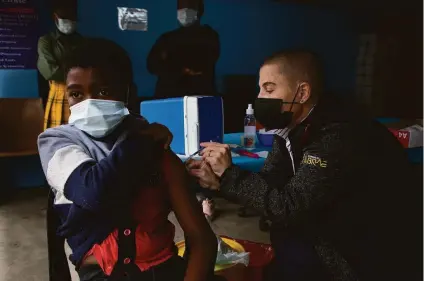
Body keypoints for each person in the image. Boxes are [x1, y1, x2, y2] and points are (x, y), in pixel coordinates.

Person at [188, 50, 421, 281]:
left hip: (367, 245)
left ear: (302, 92)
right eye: (260, 89)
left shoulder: (335, 135)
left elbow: (288, 206)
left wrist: (230, 174)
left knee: (291, 241)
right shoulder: (290, 126)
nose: (260, 97)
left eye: (269, 89)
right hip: (326, 223)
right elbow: (270, 182)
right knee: (283, 241)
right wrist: (220, 181)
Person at [38, 38, 218, 281]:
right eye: (76, 94)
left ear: (127, 92)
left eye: (103, 91)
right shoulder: (57, 142)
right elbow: (93, 191)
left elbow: (201, 239)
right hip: (100, 274)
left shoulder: (158, 151)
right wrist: (144, 139)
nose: (88, 103)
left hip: (161, 269)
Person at [147, 0, 220, 99]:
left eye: (190, 6)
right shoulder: (166, 38)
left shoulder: (209, 36)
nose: (184, 10)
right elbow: (152, 65)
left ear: (200, 10)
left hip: (199, 99)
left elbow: (199, 63)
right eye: (180, 6)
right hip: (168, 99)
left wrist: (170, 62)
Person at [37, 1, 83, 130]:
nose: (69, 21)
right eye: (65, 17)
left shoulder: (82, 41)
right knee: (57, 136)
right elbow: (50, 71)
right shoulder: (46, 41)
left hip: (81, 95)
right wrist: (77, 76)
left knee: (80, 134)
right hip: (59, 93)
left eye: (72, 18)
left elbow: (89, 67)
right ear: (55, 17)